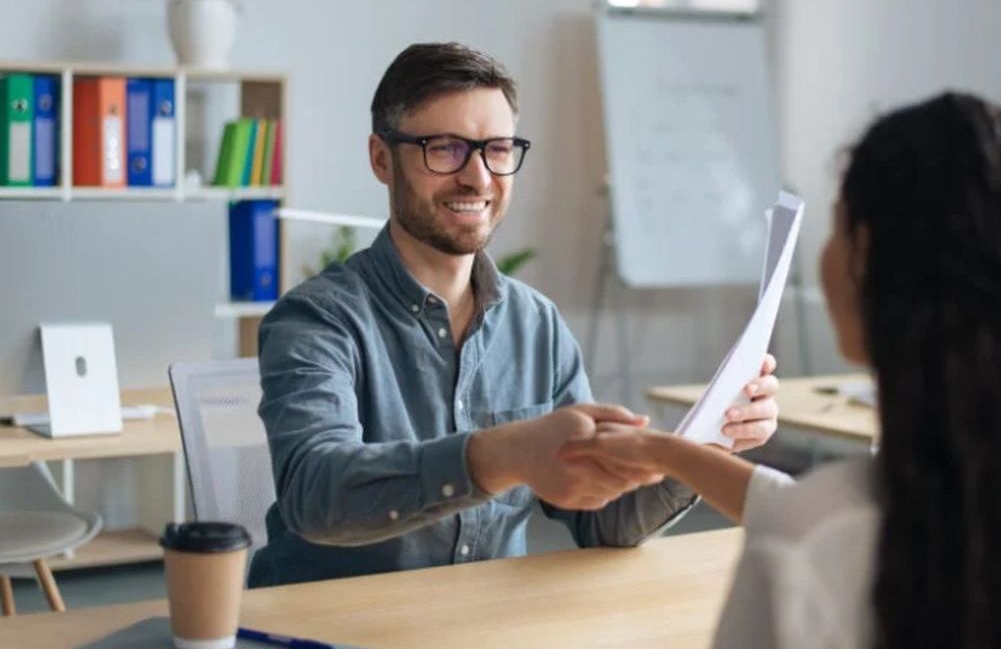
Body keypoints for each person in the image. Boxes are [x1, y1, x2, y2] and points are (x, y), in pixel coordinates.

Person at [561, 92, 1001, 648]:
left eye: (836, 223)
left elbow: (815, 518)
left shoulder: (813, 544)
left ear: (867, 258)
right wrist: (664, 451)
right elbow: (798, 504)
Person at [247, 42, 781, 588]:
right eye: (446, 148)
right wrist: (500, 455)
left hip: (484, 628)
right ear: (383, 159)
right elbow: (316, 495)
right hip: (325, 629)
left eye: (497, 149)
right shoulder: (316, 320)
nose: (478, 178)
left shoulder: (537, 326)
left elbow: (602, 522)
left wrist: (706, 445)